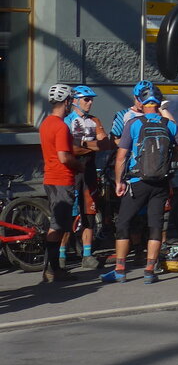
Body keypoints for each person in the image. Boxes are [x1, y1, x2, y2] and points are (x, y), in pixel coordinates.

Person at [101, 83, 178, 284]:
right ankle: (149, 270)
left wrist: (119, 182)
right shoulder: (170, 125)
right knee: (155, 224)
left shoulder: (135, 123)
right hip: (161, 182)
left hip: (138, 181)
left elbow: (121, 156)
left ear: (141, 100)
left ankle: (120, 269)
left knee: (123, 222)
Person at [63, 85, 110, 270]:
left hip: (89, 169)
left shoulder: (94, 120)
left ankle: (88, 255)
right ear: (75, 100)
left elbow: (104, 143)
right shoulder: (67, 120)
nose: (90, 103)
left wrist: (82, 143)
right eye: (86, 99)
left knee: (89, 211)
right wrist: (91, 145)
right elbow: (69, 149)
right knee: (70, 213)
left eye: (91, 100)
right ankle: (61, 254)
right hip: (72, 169)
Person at [39, 84, 82, 283]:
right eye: (70, 101)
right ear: (66, 102)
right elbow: (64, 157)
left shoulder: (46, 123)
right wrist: (80, 166)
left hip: (50, 178)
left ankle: (52, 269)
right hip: (61, 179)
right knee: (57, 226)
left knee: (58, 224)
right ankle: (52, 269)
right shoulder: (61, 126)